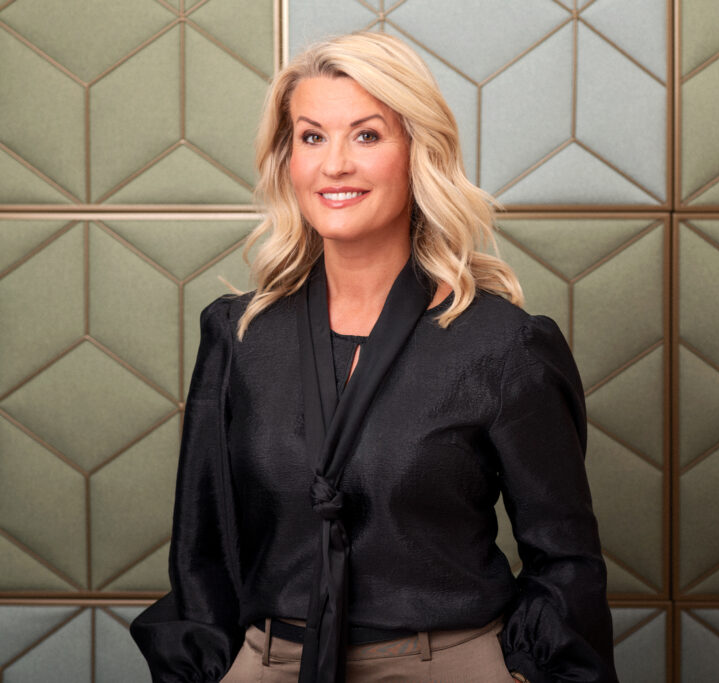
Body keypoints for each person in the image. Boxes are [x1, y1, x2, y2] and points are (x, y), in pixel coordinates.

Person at [131, 31, 617, 683]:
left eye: (366, 135)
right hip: (269, 661)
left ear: (418, 152)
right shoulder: (239, 336)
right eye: (311, 136)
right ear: (287, 159)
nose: (334, 164)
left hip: (446, 663)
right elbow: (202, 550)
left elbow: (567, 561)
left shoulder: (503, 345)